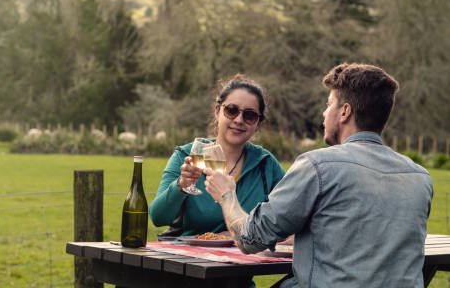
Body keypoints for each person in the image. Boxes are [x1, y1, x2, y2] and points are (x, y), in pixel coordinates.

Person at [204, 63, 433, 288]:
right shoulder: (420, 178)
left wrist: (226, 194)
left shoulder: (317, 166)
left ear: (344, 112)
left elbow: (250, 238)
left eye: (329, 104)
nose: (324, 114)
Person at [149, 74, 285, 238]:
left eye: (250, 115)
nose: (239, 120)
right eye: (231, 110)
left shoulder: (266, 164)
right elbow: (158, 218)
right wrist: (181, 185)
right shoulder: (186, 156)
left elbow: (292, 219)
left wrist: (232, 235)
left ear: (258, 124)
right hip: (191, 258)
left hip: (246, 259)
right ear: (217, 112)